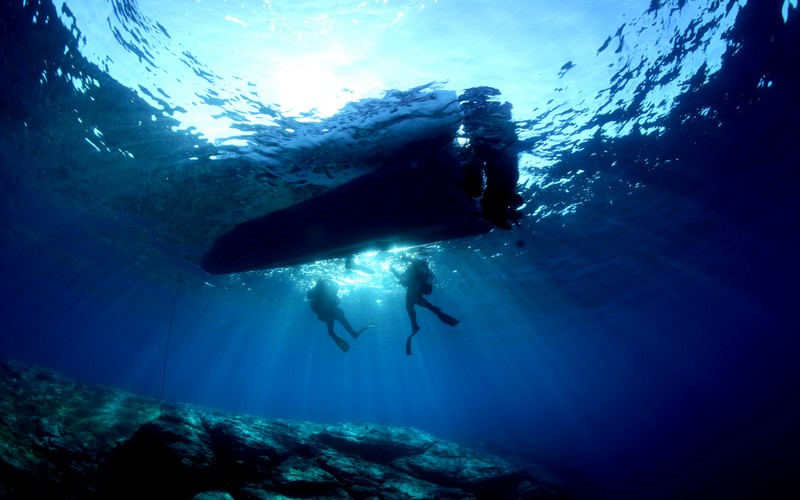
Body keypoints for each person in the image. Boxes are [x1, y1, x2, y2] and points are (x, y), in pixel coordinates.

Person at [391, 257, 459, 355]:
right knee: (417, 303)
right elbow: (402, 278)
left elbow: (420, 263)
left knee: (409, 305)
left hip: (416, 285)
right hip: (418, 287)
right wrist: (393, 271)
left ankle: (415, 326)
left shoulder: (416, 266)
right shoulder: (413, 269)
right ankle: (438, 312)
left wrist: (405, 257)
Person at [307, 279, 376, 352]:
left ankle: (353, 334)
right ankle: (353, 334)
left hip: (328, 312)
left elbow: (310, 297)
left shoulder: (318, 290)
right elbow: (336, 295)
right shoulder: (324, 289)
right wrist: (330, 283)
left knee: (331, 330)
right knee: (338, 324)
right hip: (330, 311)